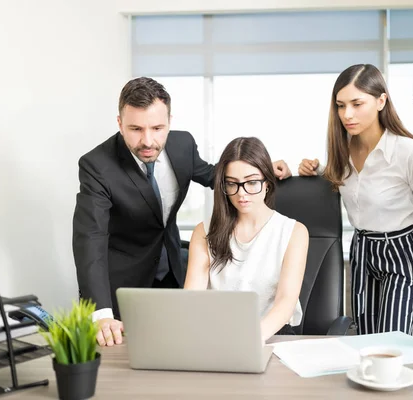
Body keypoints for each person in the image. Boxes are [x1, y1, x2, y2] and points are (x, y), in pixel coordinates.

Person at [73, 78, 292, 347]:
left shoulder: (182, 145)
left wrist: (259, 170)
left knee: (176, 355)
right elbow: (90, 240)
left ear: (169, 121)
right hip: (123, 287)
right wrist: (101, 314)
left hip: (173, 275)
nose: (148, 140)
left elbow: (217, 176)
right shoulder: (97, 166)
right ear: (119, 123)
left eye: (157, 128)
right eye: (135, 129)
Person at [298, 64, 413, 335]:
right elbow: (334, 178)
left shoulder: (409, 153)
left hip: (401, 249)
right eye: (340, 105)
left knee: (393, 338)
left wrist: (400, 230)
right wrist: (311, 169)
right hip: (362, 248)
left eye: (356, 103)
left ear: (381, 101)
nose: (347, 114)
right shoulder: (340, 152)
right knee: (365, 336)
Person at [184, 137, 308, 342]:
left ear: (267, 183)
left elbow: (285, 303)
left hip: (270, 335)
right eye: (232, 184)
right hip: (216, 336)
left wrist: (248, 340)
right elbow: (191, 301)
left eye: (251, 182)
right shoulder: (204, 231)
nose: (242, 194)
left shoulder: (293, 232)